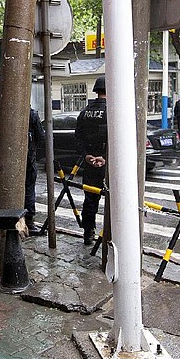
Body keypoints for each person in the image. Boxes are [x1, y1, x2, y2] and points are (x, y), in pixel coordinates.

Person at [75, 76, 107, 246]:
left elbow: (78, 137)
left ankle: (88, 233)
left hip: (90, 163)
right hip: (107, 165)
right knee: (114, 200)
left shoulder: (85, 112)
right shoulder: (113, 111)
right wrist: (105, 158)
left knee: (90, 199)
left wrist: (87, 156)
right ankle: (111, 234)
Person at [25, 107, 45, 235]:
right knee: (29, 189)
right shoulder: (31, 114)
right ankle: (29, 221)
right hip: (29, 156)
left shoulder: (5, 110)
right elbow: (41, 136)